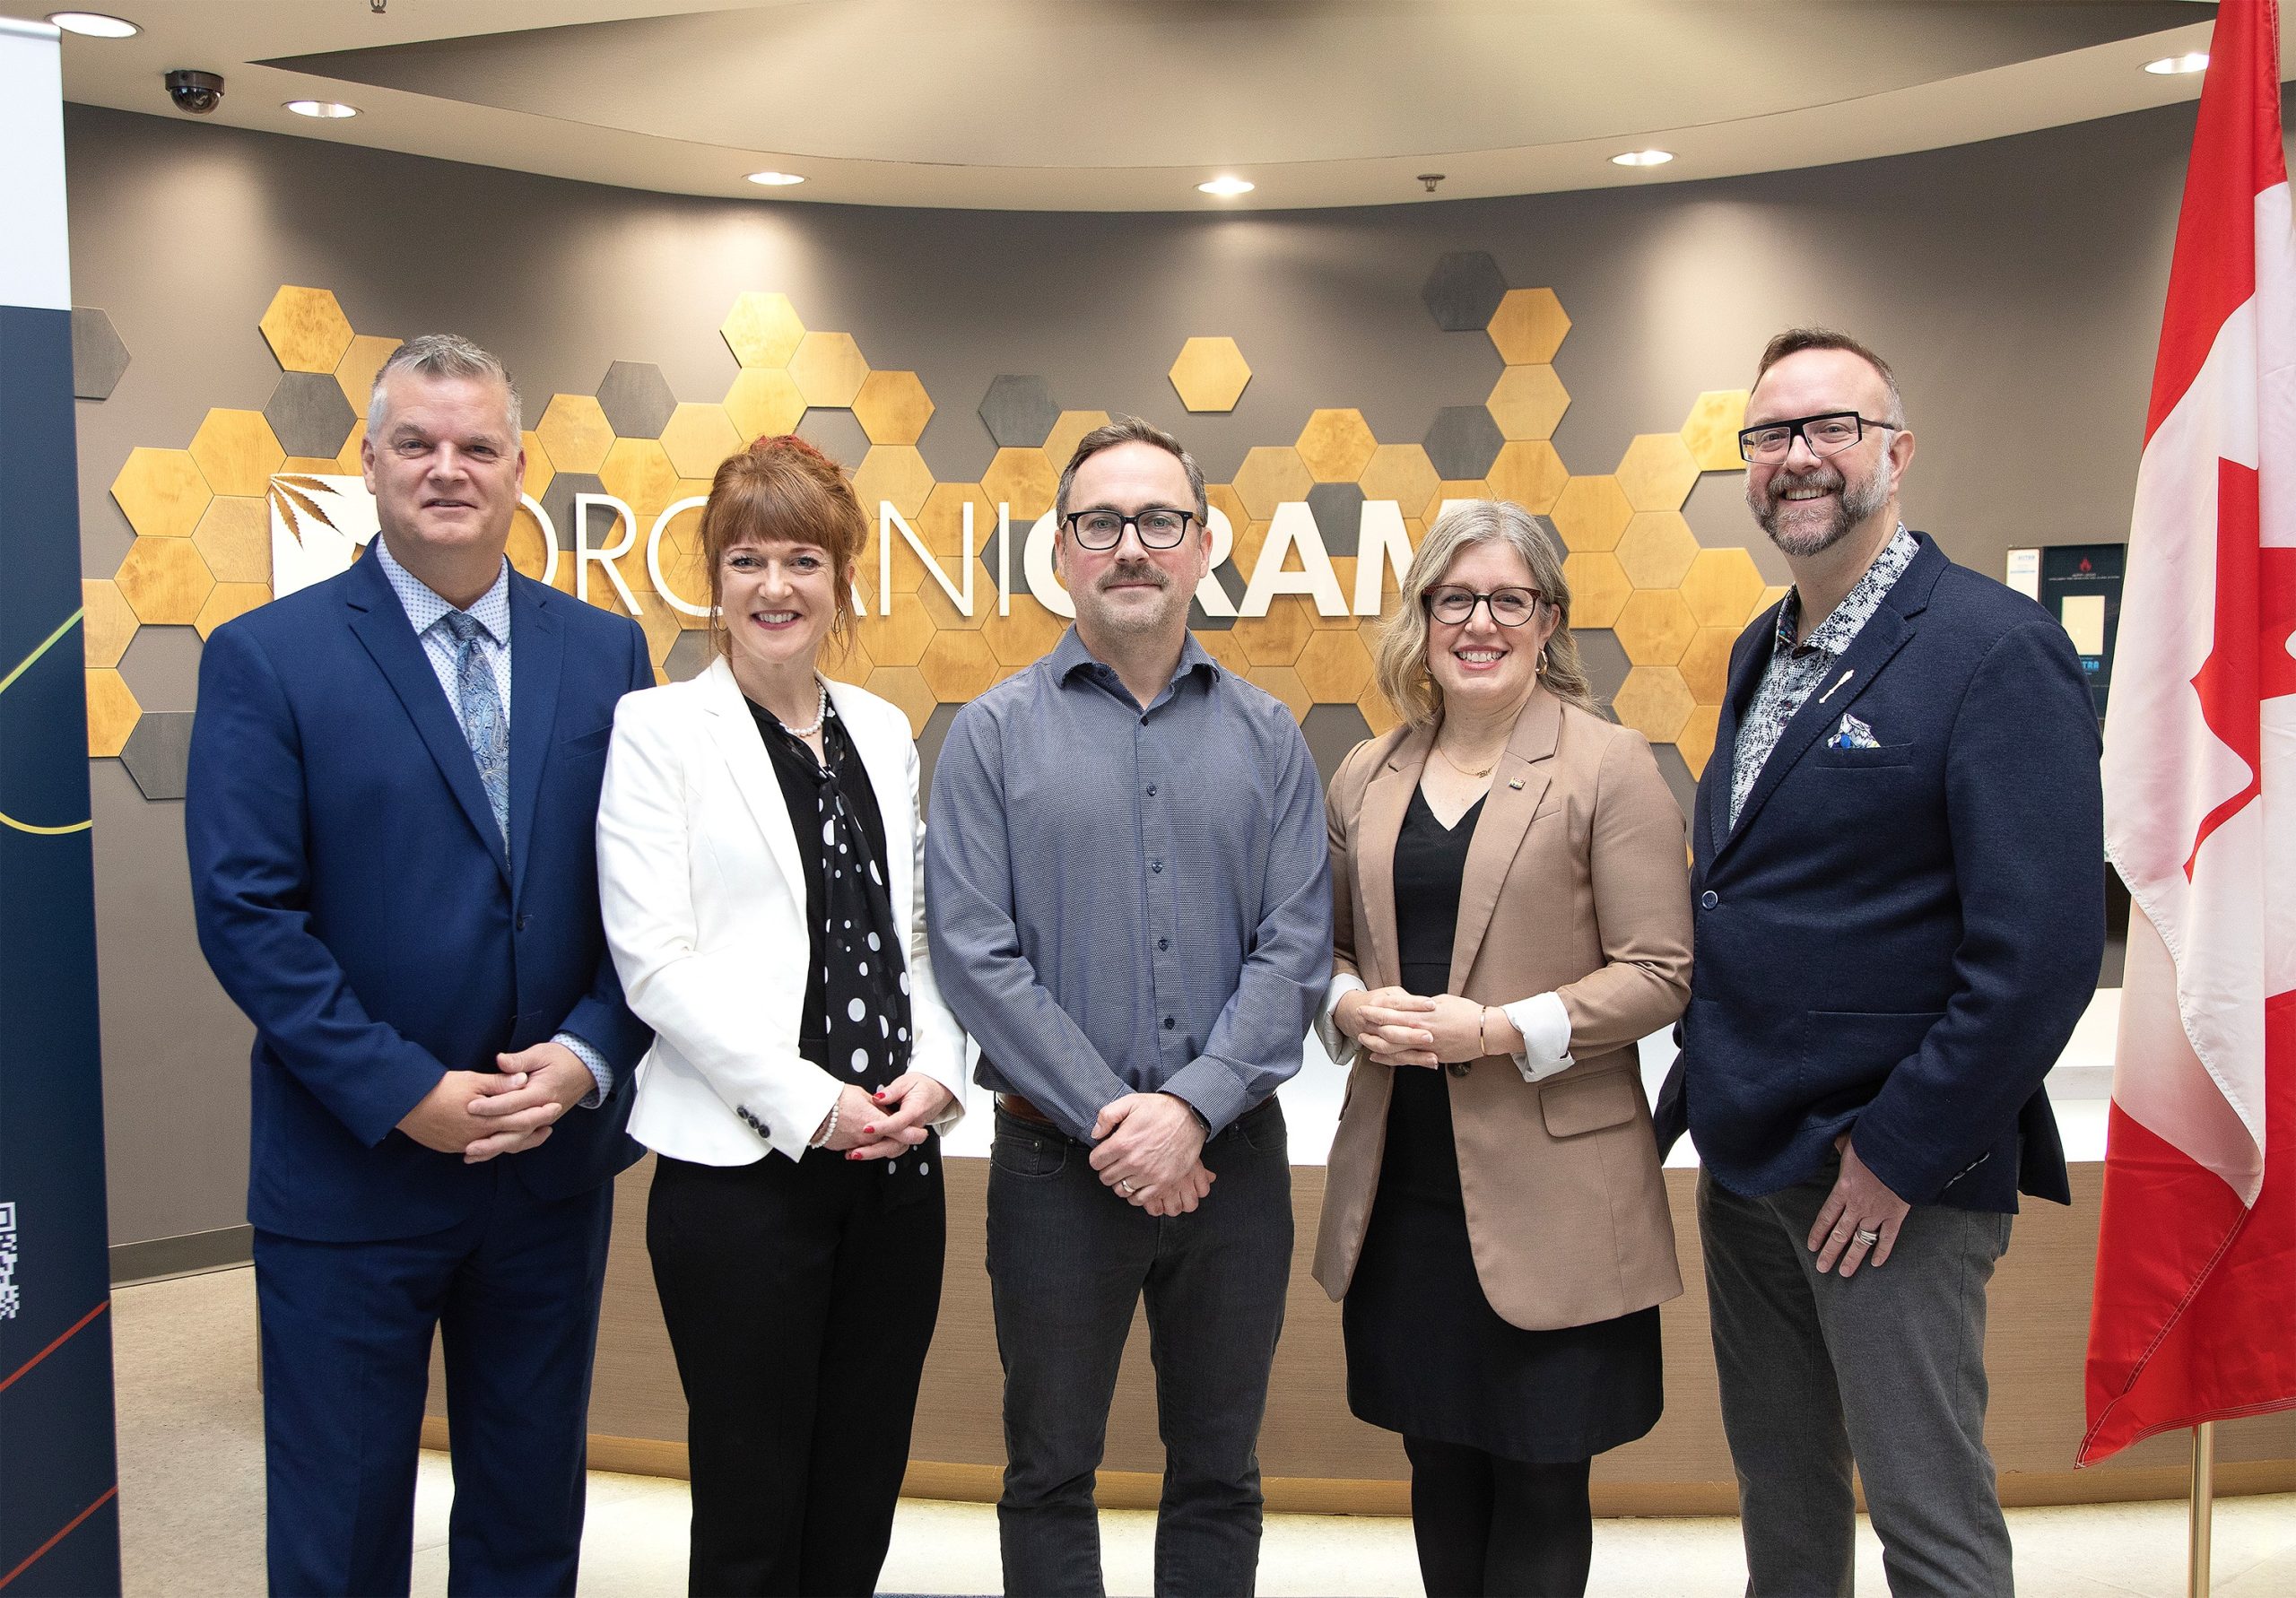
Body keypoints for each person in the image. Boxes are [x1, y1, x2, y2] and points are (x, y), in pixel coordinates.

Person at [185, 334, 654, 1596]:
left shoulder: (605, 653)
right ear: (372, 461)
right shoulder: (266, 657)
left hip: (548, 1172)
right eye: (418, 443)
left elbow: (645, 906)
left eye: (478, 446)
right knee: (338, 1529)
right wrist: (409, 1092)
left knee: (525, 1517)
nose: (449, 469)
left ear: (518, 468)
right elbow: (248, 916)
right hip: (353, 1173)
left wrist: (590, 1053)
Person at [1656, 328, 2103, 1597]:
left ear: (1896, 453)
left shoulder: (1992, 648)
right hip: (1751, 1161)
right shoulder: (1763, 646)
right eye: (1769, 436)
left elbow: (2041, 953)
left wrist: (1902, 1151)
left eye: (1829, 428)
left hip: (1890, 1174)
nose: (1796, 458)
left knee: (1931, 1526)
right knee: (1786, 1513)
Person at [925, 417, 1331, 1597]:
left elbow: (1295, 948)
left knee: (1220, 1471)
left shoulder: (1268, 738)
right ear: (1062, 552)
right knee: (1049, 1469)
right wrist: (1125, 1121)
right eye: (1101, 523)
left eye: (1159, 520)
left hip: (1237, 1167)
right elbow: (975, 955)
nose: (1131, 546)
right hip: (1056, 1173)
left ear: (1204, 545)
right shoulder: (991, 736)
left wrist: (1193, 1112)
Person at [594, 435, 967, 1597]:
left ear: (842, 576)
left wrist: (943, 1071)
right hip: (742, 1179)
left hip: (897, 1175)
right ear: (712, 574)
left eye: (802, 557)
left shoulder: (879, 728)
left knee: (859, 1489)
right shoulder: (659, 732)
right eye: (747, 557)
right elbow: (657, 964)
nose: (774, 586)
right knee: (756, 1509)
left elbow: (918, 935)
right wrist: (818, 1106)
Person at [1313, 500, 1692, 1598]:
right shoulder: (1365, 775)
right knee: (1436, 1456)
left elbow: (1660, 970)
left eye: (1508, 600)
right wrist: (1345, 1008)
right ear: (1423, 616)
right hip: (1406, 1188)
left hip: (1556, 1188)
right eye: (1455, 599)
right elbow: (1327, 948)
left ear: (1548, 619)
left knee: (1538, 1473)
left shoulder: (1609, 765)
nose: (1480, 623)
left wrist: (1499, 1031)